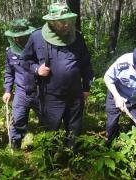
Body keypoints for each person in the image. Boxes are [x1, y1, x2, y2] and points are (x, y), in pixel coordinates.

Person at [21, 2, 94, 149]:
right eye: (62, 22)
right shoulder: (37, 36)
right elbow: (25, 60)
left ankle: (73, 158)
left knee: (74, 130)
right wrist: (37, 69)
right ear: (52, 22)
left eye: (68, 20)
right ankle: (50, 162)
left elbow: (86, 63)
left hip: (75, 94)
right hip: (51, 96)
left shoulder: (77, 37)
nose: (66, 25)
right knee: (50, 130)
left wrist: (86, 87)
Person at [2, 19, 40, 149]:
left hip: (39, 91)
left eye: (21, 37)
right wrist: (7, 90)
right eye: (15, 37)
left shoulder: (38, 49)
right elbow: (9, 72)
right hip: (20, 92)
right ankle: (15, 149)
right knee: (18, 120)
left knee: (47, 120)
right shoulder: (10, 51)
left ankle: (48, 148)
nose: (18, 40)